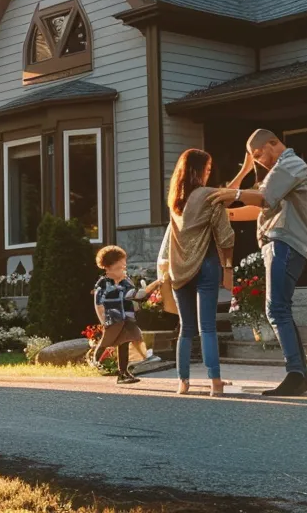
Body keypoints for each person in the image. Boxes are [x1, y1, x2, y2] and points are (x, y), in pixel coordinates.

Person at [211, 129, 307, 396]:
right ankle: (301, 374)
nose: (260, 161)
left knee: (276, 309)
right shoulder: (275, 173)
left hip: (285, 242)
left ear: (274, 143)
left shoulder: (291, 164)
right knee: (280, 308)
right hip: (277, 243)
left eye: (259, 155)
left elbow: (262, 199)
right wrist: (227, 211)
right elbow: (256, 206)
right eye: (254, 159)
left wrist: (231, 195)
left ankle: (295, 374)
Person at [155, 148, 237, 396]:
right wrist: (228, 267)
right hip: (207, 264)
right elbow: (225, 235)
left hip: (180, 271)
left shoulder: (174, 201)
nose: (209, 173)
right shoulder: (209, 196)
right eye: (208, 169)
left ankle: (183, 383)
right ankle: (215, 384)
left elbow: (172, 238)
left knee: (186, 328)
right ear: (197, 170)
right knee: (208, 327)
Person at [93, 245, 149, 385]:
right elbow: (98, 304)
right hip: (113, 318)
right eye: (120, 266)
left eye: (124, 265)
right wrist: (103, 321)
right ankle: (96, 358)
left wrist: (145, 292)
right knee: (108, 340)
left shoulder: (126, 281)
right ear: (108, 267)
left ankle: (123, 373)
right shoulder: (103, 284)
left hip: (127, 318)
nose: (123, 268)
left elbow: (133, 295)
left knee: (127, 341)